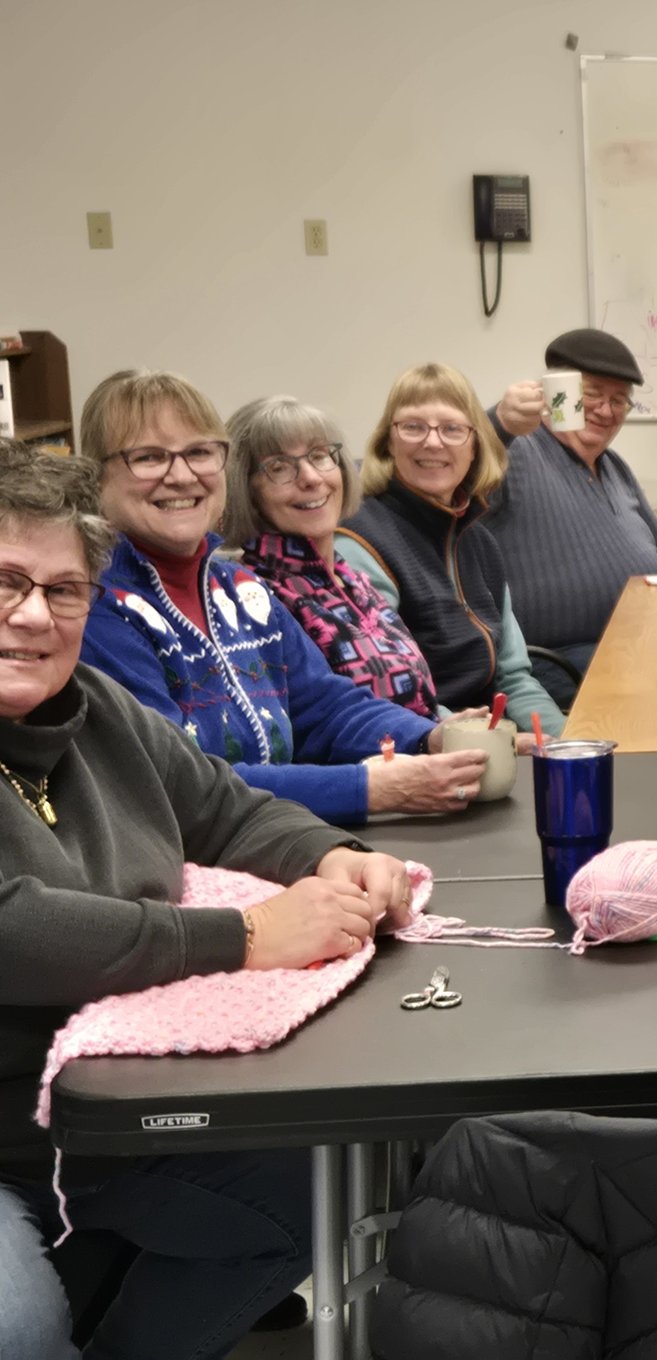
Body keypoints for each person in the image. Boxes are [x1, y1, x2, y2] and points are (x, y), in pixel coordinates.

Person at [0, 437, 418, 1359]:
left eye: (63, 590)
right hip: (10, 1143)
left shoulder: (97, 707)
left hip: (101, 1123)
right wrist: (247, 936)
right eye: (6, 582)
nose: (34, 616)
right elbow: (16, 926)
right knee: (16, 1328)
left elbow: (227, 811)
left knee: (318, 1195)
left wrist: (332, 856)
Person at [74, 371, 486, 826]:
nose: (182, 475)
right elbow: (181, 783)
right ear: (95, 477)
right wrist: (365, 788)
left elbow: (325, 708)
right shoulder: (95, 607)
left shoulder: (241, 588)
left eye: (199, 452)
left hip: (276, 835)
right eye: (149, 457)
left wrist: (431, 738)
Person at [336, 364, 565, 735]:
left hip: (489, 736)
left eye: (452, 429)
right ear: (387, 443)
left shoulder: (479, 543)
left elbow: (516, 681)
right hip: (419, 741)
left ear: (475, 446)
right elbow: (386, 694)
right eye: (412, 427)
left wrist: (565, 742)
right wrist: (497, 741)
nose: (432, 442)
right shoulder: (360, 540)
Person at [486, 328, 657, 706]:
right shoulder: (513, 452)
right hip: (556, 664)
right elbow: (455, 477)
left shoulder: (614, 467)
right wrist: (497, 423)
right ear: (557, 393)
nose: (606, 411)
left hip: (638, 648)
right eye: (592, 395)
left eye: (620, 400)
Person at [224, 395, 440, 721]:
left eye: (319, 455)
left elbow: (413, 698)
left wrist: (453, 730)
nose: (311, 477)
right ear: (247, 491)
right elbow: (314, 729)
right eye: (279, 467)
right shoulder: (253, 595)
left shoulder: (350, 576)